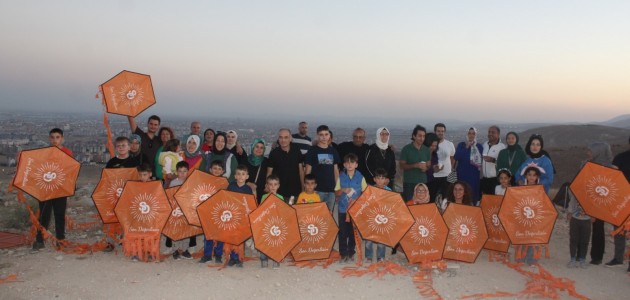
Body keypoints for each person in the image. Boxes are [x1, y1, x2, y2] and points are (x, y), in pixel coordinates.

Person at [32, 128, 74, 251]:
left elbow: (70, 169)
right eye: (52, 137)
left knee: (59, 215)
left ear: (62, 138)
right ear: (49, 139)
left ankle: (60, 240)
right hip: (45, 189)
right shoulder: (44, 152)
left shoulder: (67, 152)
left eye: (57, 137)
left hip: (60, 189)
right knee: (44, 215)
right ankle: (40, 240)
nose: (55, 140)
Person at [581, 142, 614, 266]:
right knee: (582, 226)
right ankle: (579, 255)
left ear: (598, 152)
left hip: (601, 202)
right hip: (586, 200)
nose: (587, 153)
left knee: (598, 228)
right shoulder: (585, 164)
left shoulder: (609, 168)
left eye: (590, 151)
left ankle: (597, 256)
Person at [335, 153, 367, 264]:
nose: (349, 164)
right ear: (344, 164)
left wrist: (360, 204)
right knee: (343, 232)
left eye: (352, 162)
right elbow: (336, 193)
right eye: (347, 162)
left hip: (356, 210)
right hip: (343, 209)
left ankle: (351, 252)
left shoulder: (361, 177)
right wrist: (343, 190)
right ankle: (343, 254)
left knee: (353, 232)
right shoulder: (341, 177)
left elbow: (365, 193)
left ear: (356, 164)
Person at [305, 125, 341, 211]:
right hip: (317, 190)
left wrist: (338, 188)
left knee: (329, 218)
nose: (324, 137)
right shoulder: (312, 150)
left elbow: (336, 171)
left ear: (329, 136)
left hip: (331, 191)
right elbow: (308, 170)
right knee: (316, 216)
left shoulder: (333, 151)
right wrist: (307, 188)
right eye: (321, 134)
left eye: (326, 134)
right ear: (317, 136)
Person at [199, 160, 227, 264]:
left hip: (220, 213)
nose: (217, 170)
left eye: (219, 169)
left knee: (220, 235)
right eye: (214, 168)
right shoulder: (205, 181)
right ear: (210, 169)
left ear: (223, 171)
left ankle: (218, 254)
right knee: (208, 234)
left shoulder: (225, 182)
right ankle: (207, 255)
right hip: (208, 212)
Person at [167, 161, 196, 260]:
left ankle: (184, 250)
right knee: (176, 230)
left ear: (188, 171)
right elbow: (170, 196)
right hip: (176, 210)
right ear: (176, 172)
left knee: (186, 231)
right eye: (180, 171)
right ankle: (176, 250)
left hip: (187, 210)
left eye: (184, 171)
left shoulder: (190, 182)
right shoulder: (173, 182)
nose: (182, 173)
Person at [226, 165, 253, 267]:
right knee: (232, 236)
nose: (241, 176)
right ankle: (232, 257)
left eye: (243, 174)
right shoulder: (231, 186)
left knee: (241, 237)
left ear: (247, 176)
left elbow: (249, 203)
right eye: (238, 174)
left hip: (242, 217)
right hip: (232, 215)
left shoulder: (248, 189)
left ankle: (240, 258)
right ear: (235, 176)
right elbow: (226, 199)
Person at [267, 128, 305, 201]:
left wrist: (303, 188)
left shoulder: (296, 151)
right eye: (281, 137)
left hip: (295, 192)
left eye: (286, 137)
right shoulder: (274, 153)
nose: (283, 140)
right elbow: (269, 173)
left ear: (290, 138)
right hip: (278, 193)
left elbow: (301, 171)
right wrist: (268, 188)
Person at [610, 136, 630, 272]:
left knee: (619, 228)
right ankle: (618, 258)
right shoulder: (620, 157)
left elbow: (612, 176)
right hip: (621, 198)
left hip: (621, 198)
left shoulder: (619, 157)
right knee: (618, 228)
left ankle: (619, 258)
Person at [399, 125, 431, 201]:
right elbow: (401, 166)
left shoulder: (426, 150)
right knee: (409, 204)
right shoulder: (406, 149)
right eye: (420, 136)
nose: (422, 138)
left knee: (422, 204)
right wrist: (415, 165)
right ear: (414, 136)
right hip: (409, 182)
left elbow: (429, 165)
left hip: (423, 183)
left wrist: (425, 168)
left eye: (423, 136)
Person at [454, 128, 484, 205]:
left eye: (473, 133)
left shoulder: (479, 146)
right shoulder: (462, 145)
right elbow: (457, 157)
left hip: (474, 175)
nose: (471, 135)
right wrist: (466, 147)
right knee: (462, 193)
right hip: (462, 174)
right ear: (467, 135)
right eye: (469, 133)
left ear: (475, 135)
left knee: (472, 193)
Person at [260, 174, 283, 269]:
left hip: (277, 224)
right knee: (264, 242)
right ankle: (264, 259)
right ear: (267, 186)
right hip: (266, 223)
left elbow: (283, 212)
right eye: (270, 184)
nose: (273, 187)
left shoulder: (281, 197)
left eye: (275, 184)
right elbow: (261, 211)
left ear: (278, 186)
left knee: (276, 243)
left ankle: (276, 259)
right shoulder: (264, 197)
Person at [566, 187, 591, 269]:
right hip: (575, 219)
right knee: (573, 239)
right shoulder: (577, 191)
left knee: (585, 241)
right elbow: (572, 202)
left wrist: (594, 215)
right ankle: (572, 259)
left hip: (587, 220)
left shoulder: (592, 194)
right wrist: (569, 212)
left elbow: (595, 206)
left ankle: (582, 259)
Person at [432, 123, 456, 200]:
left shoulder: (449, 144)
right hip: (433, 176)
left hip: (447, 177)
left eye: (442, 131)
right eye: (438, 131)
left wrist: (450, 169)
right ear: (435, 132)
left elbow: (452, 158)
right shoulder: (430, 144)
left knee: (446, 199)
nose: (440, 133)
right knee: (432, 199)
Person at [480, 126, 506, 196]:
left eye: (493, 132)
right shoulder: (485, 144)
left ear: (498, 134)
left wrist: (493, 160)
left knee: (495, 202)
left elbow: (504, 163)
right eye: (489, 132)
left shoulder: (502, 147)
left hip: (495, 180)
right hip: (485, 180)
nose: (490, 134)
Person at [245, 138, 268, 203]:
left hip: (261, 194)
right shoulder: (245, 160)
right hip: (247, 192)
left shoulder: (266, 161)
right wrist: (248, 183)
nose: (259, 149)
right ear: (253, 147)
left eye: (261, 148)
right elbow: (239, 175)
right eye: (257, 147)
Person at [424, 133, 440, 201]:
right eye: (431, 145)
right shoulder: (421, 153)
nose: (433, 147)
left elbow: (433, 169)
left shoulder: (435, 154)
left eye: (435, 146)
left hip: (432, 181)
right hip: (422, 182)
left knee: (431, 202)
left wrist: (436, 169)